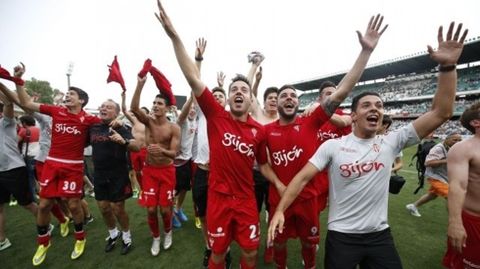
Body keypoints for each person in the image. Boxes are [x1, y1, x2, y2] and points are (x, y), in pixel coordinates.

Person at [269, 21, 468, 268]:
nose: (375, 108)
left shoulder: (391, 141)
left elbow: (441, 113)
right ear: (352, 116)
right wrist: (279, 210)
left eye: (379, 106)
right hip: (342, 236)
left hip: (379, 237)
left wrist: (448, 67)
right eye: (366, 105)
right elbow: (300, 179)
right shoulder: (334, 146)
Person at [155, 1, 283, 268]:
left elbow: (263, 165)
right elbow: (192, 77)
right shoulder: (216, 115)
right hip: (219, 201)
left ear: (251, 100)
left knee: (249, 253)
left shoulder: (258, 131)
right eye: (234, 89)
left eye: (243, 90)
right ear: (228, 98)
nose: (238, 92)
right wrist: (174, 36)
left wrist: (281, 185)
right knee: (217, 254)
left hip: (247, 201)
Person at [265, 14, 386, 269]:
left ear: (298, 103)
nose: (288, 98)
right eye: (283, 95)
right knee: (279, 243)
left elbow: (342, 91)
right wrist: (276, 182)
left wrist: (365, 52)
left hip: (308, 198)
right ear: (277, 102)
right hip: (279, 198)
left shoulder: (311, 121)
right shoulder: (266, 131)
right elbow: (261, 164)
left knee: (310, 244)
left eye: (292, 96)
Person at [13, 63, 103, 265]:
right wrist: (19, 80)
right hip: (52, 164)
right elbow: (26, 103)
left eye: (71, 94)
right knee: (44, 204)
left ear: (81, 100)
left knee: (73, 203)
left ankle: (80, 238)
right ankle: (43, 242)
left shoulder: (89, 119)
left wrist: (115, 121)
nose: (67, 96)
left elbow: (108, 122)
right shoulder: (55, 111)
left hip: (73, 166)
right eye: (67, 94)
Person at [131, 73, 181, 256]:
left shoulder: (174, 128)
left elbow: (174, 153)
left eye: (160, 103)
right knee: (151, 210)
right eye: (154, 102)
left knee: (165, 210)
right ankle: (156, 237)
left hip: (167, 171)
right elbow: (134, 107)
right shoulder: (148, 121)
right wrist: (140, 85)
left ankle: (168, 232)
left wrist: (162, 151)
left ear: (168, 108)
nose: (155, 105)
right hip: (150, 171)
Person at [89, 99, 141, 255]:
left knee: (117, 208)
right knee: (104, 208)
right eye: (103, 106)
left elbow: (137, 146)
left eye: (109, 107)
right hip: (99, 174)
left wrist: (123, 141)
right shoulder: (93, 127)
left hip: (118, 174)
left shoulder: (122, 127)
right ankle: (113, 233)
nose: (104, 108)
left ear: (116, 113)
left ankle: (126, 236)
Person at [0, 86, 38, 252]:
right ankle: (2, 239)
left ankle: (45, 226)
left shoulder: (5, 123)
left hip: (14, 169)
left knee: (27, 203)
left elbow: (8, 103)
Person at [443, 102, 480, 269]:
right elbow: (457, 186)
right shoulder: (463, 148)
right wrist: (455, 223)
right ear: (476, 122)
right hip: (474, 222)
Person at [406, 131, 462, 217]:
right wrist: (447, 161)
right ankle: (455, 220)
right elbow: (428, 163)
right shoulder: (438, 148)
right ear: (446, 139)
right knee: (451, 196)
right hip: (435, 177)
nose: (457, 142)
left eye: (459, 140)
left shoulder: (452, 148)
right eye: (455, 140)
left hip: (444, 176)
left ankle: (413, 206)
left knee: (432, 195)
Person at [173, 95, 197, 228]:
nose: (192, 110)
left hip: (187, 161)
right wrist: (192, 95)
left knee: (184, 188)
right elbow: (183, 113)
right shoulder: (182, 121)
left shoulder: (196, 120)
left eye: (194, 108)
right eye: (190, 108)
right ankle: (171, 215)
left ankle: (178, 209)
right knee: (173, 191)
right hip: (175, 162)